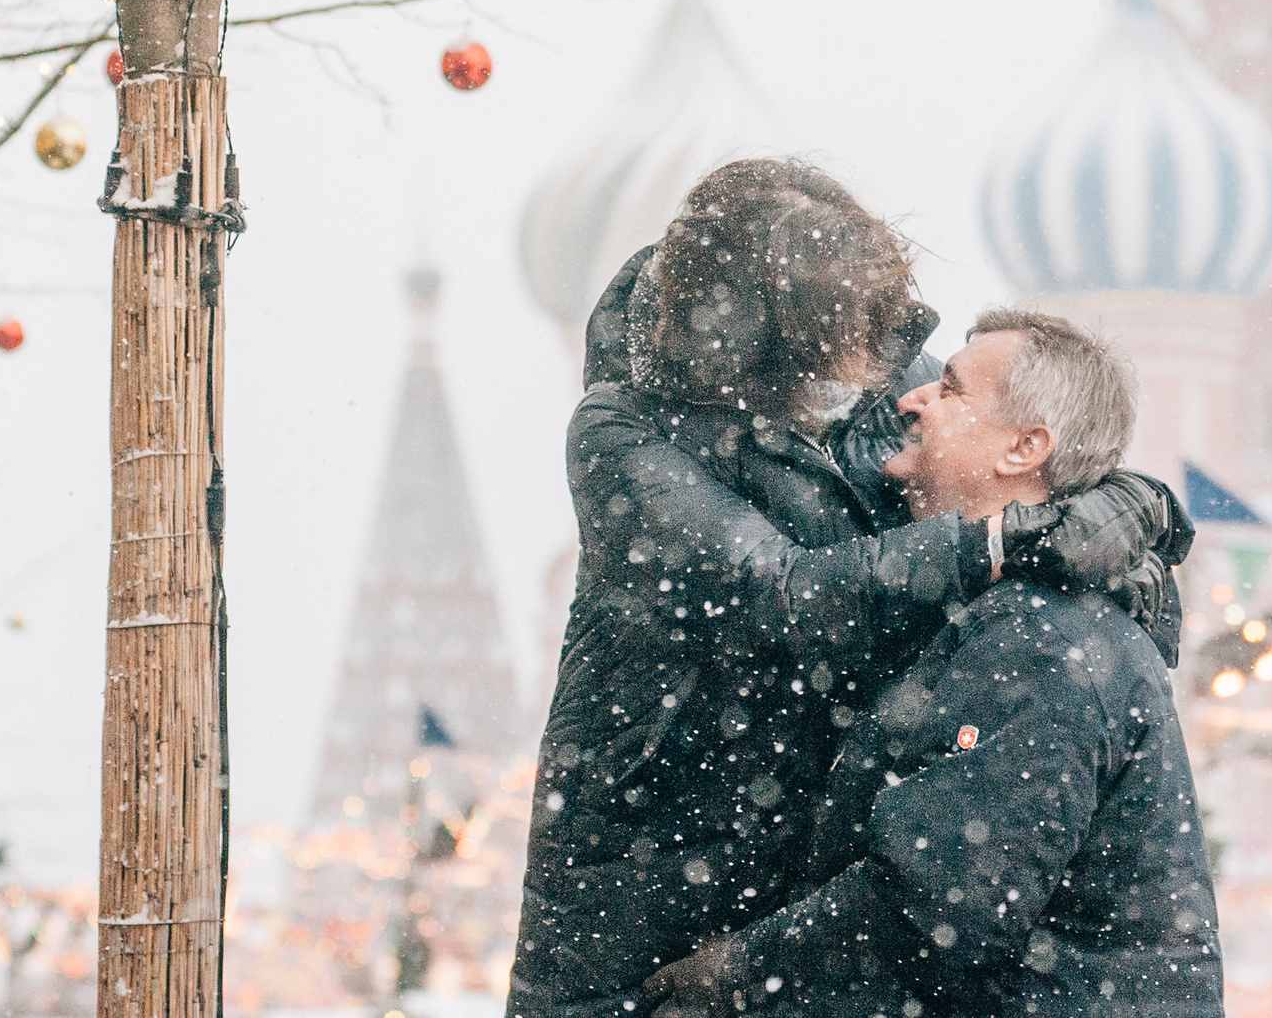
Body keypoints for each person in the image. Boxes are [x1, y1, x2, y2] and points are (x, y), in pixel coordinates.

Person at [508, 162, 1189, 1018]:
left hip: (802, 898)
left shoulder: (879, 374)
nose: (889, 379)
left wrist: (1129, 514)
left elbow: (1031, 453)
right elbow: (779, 598)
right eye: (842, 338)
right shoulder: (626, 428)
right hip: (647, 886)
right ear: (770, 339)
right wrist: (1001, 542)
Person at [641, 307, 1221, 1018]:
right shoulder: (1006, 614)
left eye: (949, 389)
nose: (911, 400)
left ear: (1024, 447)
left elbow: (936, 910)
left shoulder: (1042, 639)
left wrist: (728, 978)